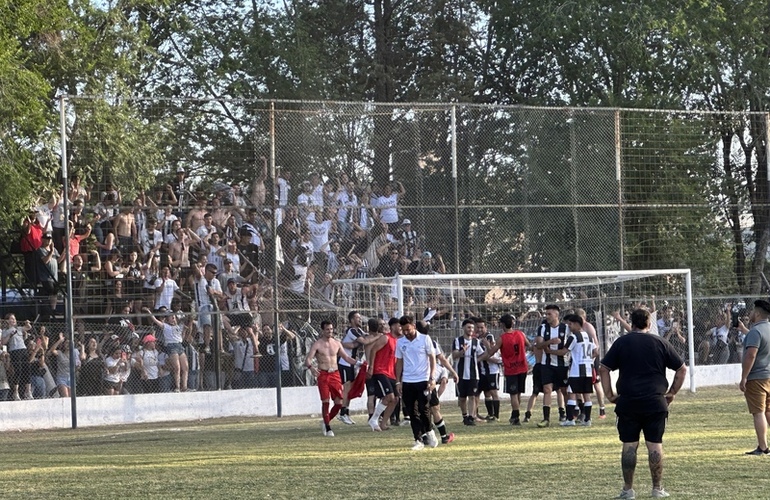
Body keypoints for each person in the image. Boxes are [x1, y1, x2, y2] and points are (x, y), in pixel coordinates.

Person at [599, 308, 686, 500]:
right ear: (649, 323)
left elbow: (603, 368)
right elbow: (682, 369)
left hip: (628, 401)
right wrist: (672, 392)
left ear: (632, 323)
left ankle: (628, 490)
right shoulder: (660, 342)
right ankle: (657, 489)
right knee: (654, 445)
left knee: (629, 445)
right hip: (655, 401)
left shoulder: (622, 342)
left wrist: (610, 395)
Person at [304, 320, 357, 437]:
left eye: (331, 329)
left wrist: (358, 363)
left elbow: (346, 357)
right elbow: (308, 359)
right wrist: (311, 368)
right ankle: (328, 428)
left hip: (335, 374)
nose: (330, 331)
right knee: (325, 401)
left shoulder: (337, 343)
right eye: (327, 329)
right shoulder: (317, 344)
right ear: (322, 330)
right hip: (323, 374)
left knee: (339, 403)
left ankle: (325, 421)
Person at [395, 315, 438, 450]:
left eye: (408, 329)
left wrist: (432, 378)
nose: (406, 333)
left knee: (424, 409)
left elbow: (432, 359)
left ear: (414, 326)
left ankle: (429, 431)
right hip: (408, 381)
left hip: (423, 379)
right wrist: (398, 382)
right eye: (403, 330)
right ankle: (418, 440)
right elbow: (399, 362)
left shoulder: (425, 339)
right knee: (411, 412)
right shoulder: (400, 342)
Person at [480, 314, 530, 425]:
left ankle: (516, 416)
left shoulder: (502, 338)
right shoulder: (521, 334)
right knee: (518, 393)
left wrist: (487, 345)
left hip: (511, 369)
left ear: (502, 324)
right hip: (522, 367)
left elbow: (491, 352)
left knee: (513, 394)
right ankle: (514, 415)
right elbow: (529, 346)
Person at [739, 299, 770, 455]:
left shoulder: (755, 332)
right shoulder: (766, 329)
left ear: (757, 313)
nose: (750, 313)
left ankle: (763, 447)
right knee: (768, 410)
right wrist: (744, 330)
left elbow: (751, 355)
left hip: (757, 377)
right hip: (769, 375)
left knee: (758, 412)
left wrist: (744, 377)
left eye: (752, 311)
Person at [533, 304, 569, 427]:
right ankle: (546, 419)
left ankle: (569, 415)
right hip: (546, 364)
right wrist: (550, 342)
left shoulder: (566, 328)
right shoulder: (543, 327)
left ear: (556, 315)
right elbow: (538, 345)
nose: (547, 316)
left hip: (562, 364)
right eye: (546, 314)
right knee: (547, 389)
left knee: (564, 390)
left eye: (549, 314)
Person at [559, 314, 597, 427]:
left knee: (572, 393)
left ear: (576, 324)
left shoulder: (574, 337)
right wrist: (588, 359)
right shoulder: (589, 337)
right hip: (588, 370)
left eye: (570, 324)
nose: (569, 326)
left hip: (576, 370)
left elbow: (563, 351)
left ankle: (570, 419)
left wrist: (549, 351)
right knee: (586, 395)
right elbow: (596, 352)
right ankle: (587, 420)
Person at [452, 319, 485, 426]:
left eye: (472, 327)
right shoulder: (458, 341)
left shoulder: (476, 341)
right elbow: (454, 355)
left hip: (473, 374)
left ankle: (471, 417)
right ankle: (465, 416)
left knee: (472, 396)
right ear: (463, 328)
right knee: (462, 398)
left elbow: (483, 354)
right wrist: (462, 351)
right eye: (468, 327)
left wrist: (477, 360)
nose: (471, 329)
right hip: (461, 374)